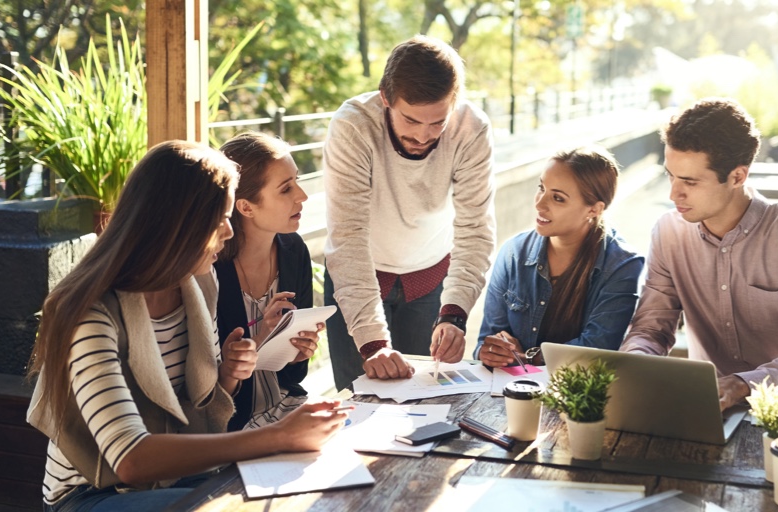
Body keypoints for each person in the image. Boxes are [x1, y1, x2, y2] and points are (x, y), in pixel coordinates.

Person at [26, 141, 347, 511]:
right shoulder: (91, 313)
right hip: (95, 494)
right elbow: (130, 458)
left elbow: (203, 407)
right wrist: (277, 437)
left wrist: (228, 373)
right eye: (220, 219)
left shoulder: (199, 286)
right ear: (178, 224)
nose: (229, 233)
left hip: (188, 477)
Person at [620, 98, 778, 411]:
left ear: (738, 176)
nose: (673, 194)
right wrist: (636, 366)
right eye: (670, 175)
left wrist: (742, 385)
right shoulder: (668, 232)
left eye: (690, 181)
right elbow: (650, 330)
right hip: (702, 409)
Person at [322, 35, 495, 390]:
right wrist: (373, 343)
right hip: (359, 275)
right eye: (412, 120)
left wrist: (455, 315)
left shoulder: (472, 129)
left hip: (431, 279)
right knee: (357, 403)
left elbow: (475, 229)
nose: (424, 135)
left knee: (422, 402)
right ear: (386, 98)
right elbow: (348, 236)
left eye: (437, 123)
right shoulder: (353, 125)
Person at [476, 147, 644, 367]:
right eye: (541, 188)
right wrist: (490, 352)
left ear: (594, 209)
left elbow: (598, 349)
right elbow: (486, 339)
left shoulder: (622, 266)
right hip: (509, 389)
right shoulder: (513, 252)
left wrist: (529, 356)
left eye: (557, 198)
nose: (539, 204)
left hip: (580, 393)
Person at [215, 132, 320, 431]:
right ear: (246, 207)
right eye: (286, 189)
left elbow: (292, 376)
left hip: (287, 408)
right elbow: (206, 390)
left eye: (296, 181)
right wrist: (259, 339)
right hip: (229, 427)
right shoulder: (210, 268)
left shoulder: (293, 250)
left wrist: (299, 352)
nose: (302, 195)